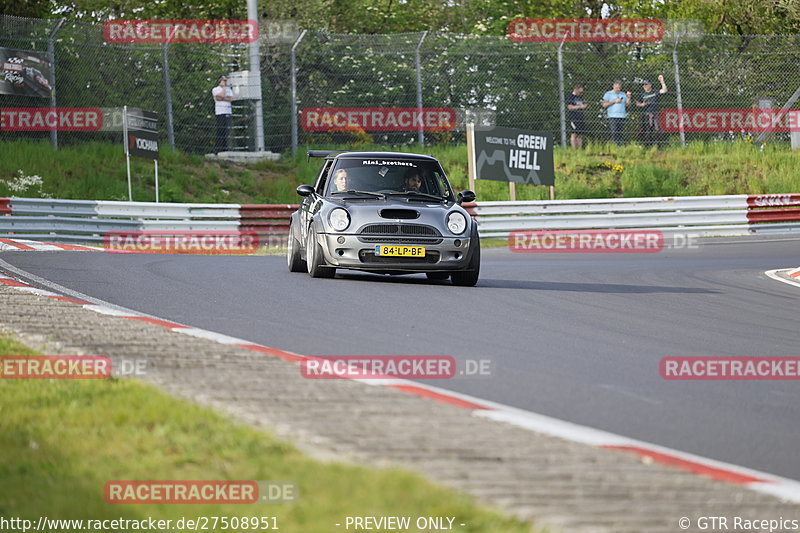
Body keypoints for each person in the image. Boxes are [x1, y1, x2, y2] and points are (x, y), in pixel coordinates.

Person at [636, 75, 668, 147]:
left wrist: (662, 81)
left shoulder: (655, 92)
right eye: (644, 84)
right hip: (646, 115)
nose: (645, 86)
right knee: (647, 131)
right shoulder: (641, 94)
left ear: (650, 85)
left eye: (646, 84)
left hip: (655, 113)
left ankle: (658, 145)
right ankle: (648, 146)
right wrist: (642, 105)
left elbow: (664, 90)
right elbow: (637, 103)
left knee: (657, 129)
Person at [601, 80, 632, 145]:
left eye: (619, 87)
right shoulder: (608, 94)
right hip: (612, 116)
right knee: (614, 132)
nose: (618, 89)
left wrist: (629, 97)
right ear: (613, 86)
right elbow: (604, 105)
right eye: (617, 87)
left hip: (622, 116)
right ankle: (615, 145)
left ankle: (619, 146)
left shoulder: (623, 94)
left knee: (620, 132)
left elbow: (628, 104)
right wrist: (614, 101)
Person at [211, 75, 233, 153]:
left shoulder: (229, 89)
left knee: (226, 130)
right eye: (224, 80)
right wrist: (223, 89)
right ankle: (219, 148)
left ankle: (225, 148)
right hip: (220, 112)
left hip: (228, 111)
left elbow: (231, 99)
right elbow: (218, 98)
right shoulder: (215, 89)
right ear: (219, 81)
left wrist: (222, 98)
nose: (225, 82)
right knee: (220, 130)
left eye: (226, 81)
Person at [566, 83, 588, 149]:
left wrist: (584, 106)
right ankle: (574, 149)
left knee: (580, 134)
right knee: (574, 134)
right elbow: (570, 107)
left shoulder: (580, 97)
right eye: (579, 92)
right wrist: (580, 107)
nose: (580, 93)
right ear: (576, 89)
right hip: (574, 117)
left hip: (581, 117)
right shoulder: (570, 96)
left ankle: (580, 149)